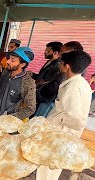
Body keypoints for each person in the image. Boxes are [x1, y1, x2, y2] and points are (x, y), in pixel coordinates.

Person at [36, 50, 92, 180]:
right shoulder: (80, 83)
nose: (59, 65)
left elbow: (76, 119)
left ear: (67, 66)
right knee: (51, 167)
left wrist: (51, 122)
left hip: (61, 134)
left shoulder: (73, 88)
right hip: (61, 133)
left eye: (61, 62)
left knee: (48, 169)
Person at [0, 47, 36, 121]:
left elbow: (30, 109)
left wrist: (10, 118)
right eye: (9, 58)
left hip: (5, 124)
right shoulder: (5, 73)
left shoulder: (28, 83)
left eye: (12, 60)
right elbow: (0, 92)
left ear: (22, 64)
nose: (8, 61)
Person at [31, 42, 64, 116]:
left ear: (55, 53)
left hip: (43, 97)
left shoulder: (57, 66)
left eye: (48, 51)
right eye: (45, 50)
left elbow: (48, 82)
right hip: (38, 94)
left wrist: (37, 91)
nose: (45, 53)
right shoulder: (49, 62)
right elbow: (41, 77)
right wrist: (32, 75)